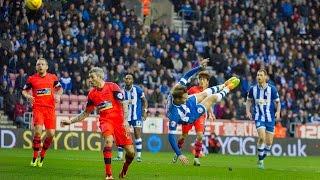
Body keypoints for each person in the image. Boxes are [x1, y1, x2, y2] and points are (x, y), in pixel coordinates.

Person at [61, 67, 135, 180]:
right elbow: (85, 113)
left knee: (131, 152)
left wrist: (125, 120)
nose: (89, 80)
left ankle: (124, 169)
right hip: (106, 121)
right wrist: (70, 121)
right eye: (89, 77)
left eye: (92, 77)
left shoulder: (112, 87)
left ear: (100, 77)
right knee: (108, 141)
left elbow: (124, 103)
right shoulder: (92, 94)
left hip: (120, 122)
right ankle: (109, 174)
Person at [167, 58, 240, 164]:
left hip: (188, 105)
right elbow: (170, 137)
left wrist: (199, 67)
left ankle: (225, 86)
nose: (187, 96)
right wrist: (180, 154)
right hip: (190, 115)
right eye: (184, 97)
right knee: (212, 98)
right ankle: (227, 88)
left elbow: (187, 75)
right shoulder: (174, 116)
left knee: (206, 94)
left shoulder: (178, 89)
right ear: (178, 99)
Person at [22, 58, 63, 167]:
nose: (40, 66)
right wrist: (28, 96)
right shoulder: (31, 79)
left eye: (42, 64)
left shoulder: (53, 77)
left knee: (51, 133)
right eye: (38, 64)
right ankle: (35, 157)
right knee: (38, 132)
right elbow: (24, 90)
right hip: (38, 108)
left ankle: (42, 154)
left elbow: (60, 89)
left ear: (46, 67)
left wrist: (58, 95)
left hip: (50, 109)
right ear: (36, 67)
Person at [175, 71, 215, 166]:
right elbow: (185, 98)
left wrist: (211, 114)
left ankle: (196, 159)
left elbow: (208, 104)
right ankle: (177, 152)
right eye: (200, 79)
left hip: (200, 116)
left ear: (207, 82)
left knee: (200, 136)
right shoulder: (193, 89)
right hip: (189, 116)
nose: (201, 81)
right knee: (183, 136)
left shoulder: (209, 92)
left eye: (204, 79)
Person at [246, 69, 281, 169]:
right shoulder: (253, 89)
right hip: (259, 117)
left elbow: (278, 102)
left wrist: (278, 112)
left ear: (265, 77)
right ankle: (261, 161)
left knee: (269, 143)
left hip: (270, 118)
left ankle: (262, 157)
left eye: (261, 75)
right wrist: (248, 111)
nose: (259, 77)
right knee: (262, 137)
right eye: (257, 75)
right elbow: (248, 101)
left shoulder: (272, 89)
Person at [114, 74, 148, 162]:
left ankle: (139, 156)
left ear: (132, 80)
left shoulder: (138, 90)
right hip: (125, 117)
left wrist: (145, 111)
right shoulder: (121, 91)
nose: (128, 80)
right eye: (126, 79)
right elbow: (118, 103)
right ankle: (119, 156)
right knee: (123, 135)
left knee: (137, 134)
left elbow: (145, 101)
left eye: (129, 79)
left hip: (136, 116)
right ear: (124, 80)